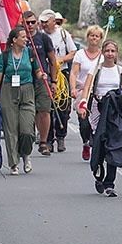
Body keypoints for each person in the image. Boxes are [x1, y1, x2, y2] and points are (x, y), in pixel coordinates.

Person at [77, 39, 122, 197]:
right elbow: (87, 88)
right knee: (99, 145)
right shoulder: (96, 70)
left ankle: (110, 183)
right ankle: (98, 174)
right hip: (98, 110)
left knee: (113, 146)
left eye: (113, 51)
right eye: (107, 51)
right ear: (102, 52)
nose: (110, 54)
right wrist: (82, 104)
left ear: (116, 54)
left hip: (115, 113)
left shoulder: (121, 71)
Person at [0, 26, 45, 175]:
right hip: (8, 90)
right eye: (23, 37)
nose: (26, 39)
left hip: (27, 90)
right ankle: (14, 163)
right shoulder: (4, 56)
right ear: (14, 40)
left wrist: (43, 76)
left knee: (27, 130)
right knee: (10, 130)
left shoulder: (30, 54)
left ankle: (25, 154)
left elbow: (37, 72)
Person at [40, 10, 76, 152]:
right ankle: (48, 139)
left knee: (62, 104)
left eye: (46, 22)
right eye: (41, 22)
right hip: (46, 74)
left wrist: (59, 60)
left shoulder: (63, 35)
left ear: (53, 22)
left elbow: (73, 52)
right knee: (47, 107)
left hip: (62, 73)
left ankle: (61, 136)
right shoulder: (40, 37)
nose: (43, 25)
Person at [22, 10, 58, 157]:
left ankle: (43, 141)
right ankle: (28, 137)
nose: (30, 25)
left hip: (42, 80)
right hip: (25, 81)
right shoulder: (19, 38)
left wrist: (53, 81)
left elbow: (52, 61)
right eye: (27, 22)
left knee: (44, 110)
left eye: (32, 22)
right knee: (28, 112)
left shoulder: (43, 38)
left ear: (37, 23)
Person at [70, 25, 105, 161]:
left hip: (97, 92)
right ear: (87, 37)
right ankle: (86, 142)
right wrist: (73, 88)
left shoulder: (103, 56)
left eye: (97, 36)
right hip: (82, 91)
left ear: (101, 39)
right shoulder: (80, 54)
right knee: (84, 122)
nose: (94, 38)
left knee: (98, 121)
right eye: (91, 35)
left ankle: (96, 145)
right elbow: (74, 73)